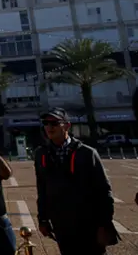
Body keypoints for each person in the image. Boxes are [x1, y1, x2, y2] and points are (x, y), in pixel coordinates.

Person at [34, 107, 119, 254]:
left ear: (67, 125)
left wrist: (105, 223)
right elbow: (42, 189)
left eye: (54, 123)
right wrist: (43, 219)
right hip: (61, 224)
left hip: (89, 223)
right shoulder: (41, 154)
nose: (49, 127)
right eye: (46, 123)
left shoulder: (87, 153)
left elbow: (104, 190)